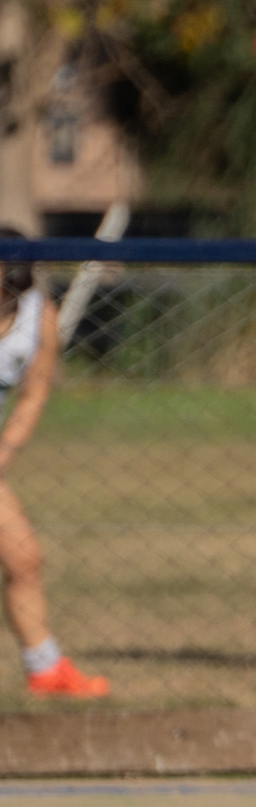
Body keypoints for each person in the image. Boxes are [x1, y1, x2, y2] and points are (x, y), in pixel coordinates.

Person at [0, 237, 109, 699]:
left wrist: (4, 451)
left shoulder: (34, 314)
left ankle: (44, 670)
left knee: (23, 558)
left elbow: (35, 392)